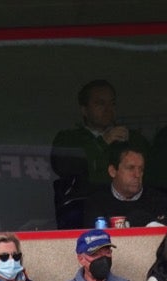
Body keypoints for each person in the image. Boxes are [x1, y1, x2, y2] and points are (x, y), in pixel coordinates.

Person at [49, 79, 142, 228]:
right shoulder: (69, 138)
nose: (108, 109)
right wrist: (102, 142)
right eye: (100, 104)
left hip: (124, 208)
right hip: (81, 209)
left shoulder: (129, 138)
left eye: (112, 104)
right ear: (84, 110)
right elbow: (63, 166)